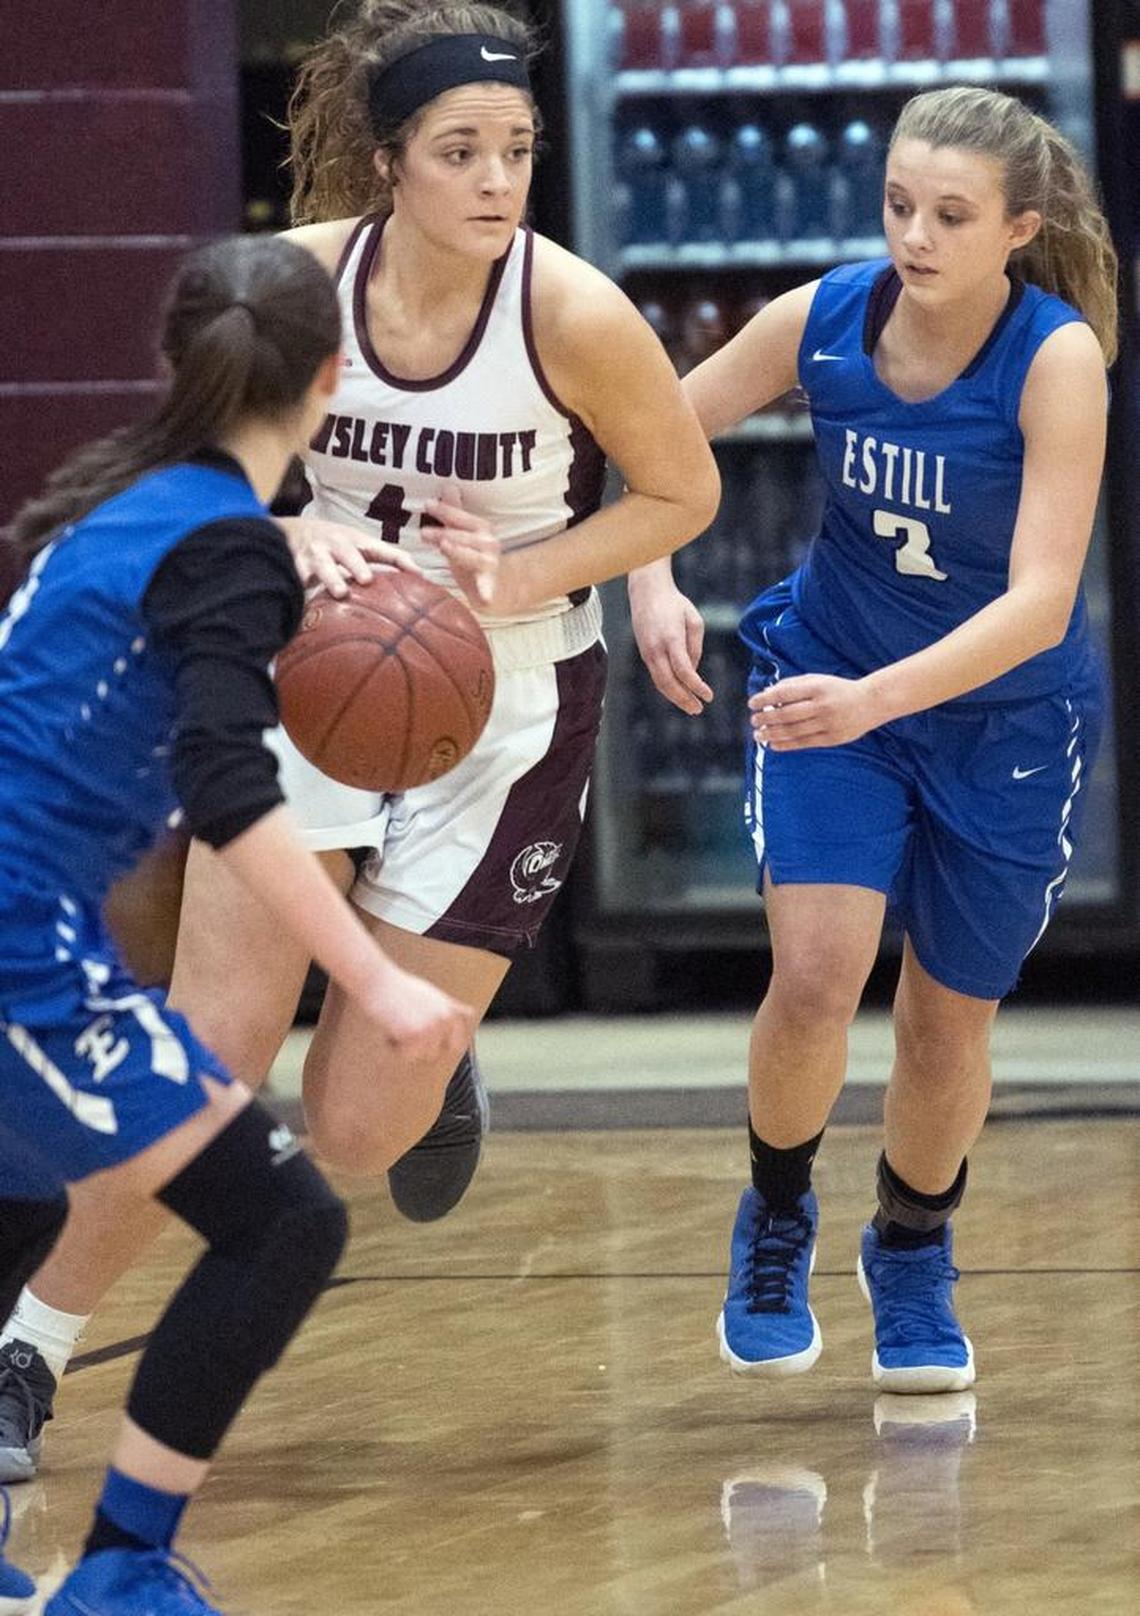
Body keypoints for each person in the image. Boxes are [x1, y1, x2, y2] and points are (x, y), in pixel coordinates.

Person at [0, 0, 719, 1479]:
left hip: (506, 704)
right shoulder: (297, 290)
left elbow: (680, 496)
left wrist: (518, 575)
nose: (496, 178)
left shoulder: (572, 313)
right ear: (388, 163)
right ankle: (28, 1355)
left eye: (516, 149)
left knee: (350, 1131)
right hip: (318, 680)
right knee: (198, 1061)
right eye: (459, 150)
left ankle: (429, 1052)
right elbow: (190, 471)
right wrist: (285, 525)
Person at [0, 232, 481, 1614]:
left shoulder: (129, 502)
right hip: (20, 941)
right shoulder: (226, 546)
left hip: (36, 924)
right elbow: (228, 790)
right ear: (332, 379)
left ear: (176, 364)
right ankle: (123, 1571)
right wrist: (374, 988)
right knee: (281, 1226)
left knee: (26, 1196)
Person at [630, 86, 1117, 1391]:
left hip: (998, 720)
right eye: (901, 203)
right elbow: (657, 434)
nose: (915, 234)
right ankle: (776, 1216)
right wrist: (648, 574)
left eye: (950, 214)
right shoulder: (827, 316)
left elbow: (1040, 603)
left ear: (1017, 226)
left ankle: (909, 1247)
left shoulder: (1056, 357)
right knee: (815, 974)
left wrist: (882, 698)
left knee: (946, 1025)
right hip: (831, 682)